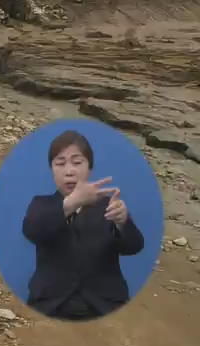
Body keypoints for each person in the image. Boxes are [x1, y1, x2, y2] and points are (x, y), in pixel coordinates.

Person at [22, 129, 145, 320]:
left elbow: (134, 247)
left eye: (77, 162)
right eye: (60, 163)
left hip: (105, 307)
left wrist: (123, 222)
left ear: (90, 168)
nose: (69, 171)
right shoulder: (41, 205)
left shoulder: (108, 206)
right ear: (52, 170)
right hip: (50, 306)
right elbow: (32, 231)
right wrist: (73, 202)